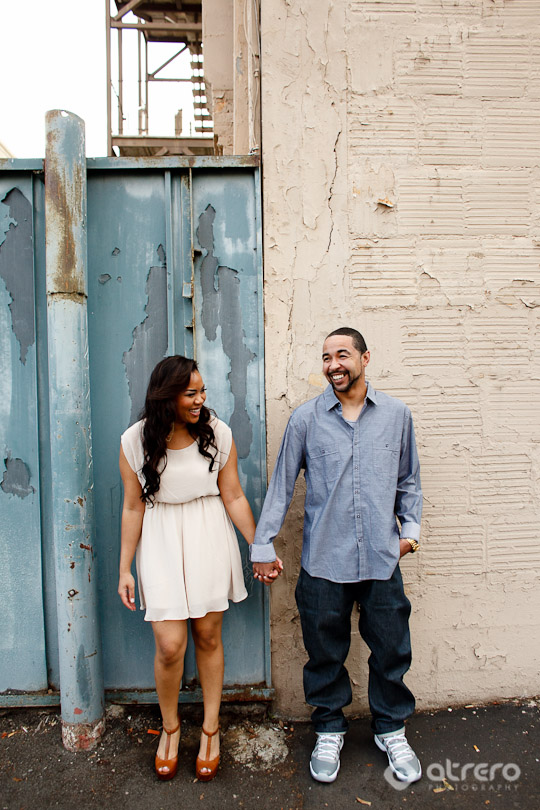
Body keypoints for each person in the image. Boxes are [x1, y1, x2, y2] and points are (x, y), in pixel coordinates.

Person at [251, 327, 423, 785]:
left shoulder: (396, 415)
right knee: (324, 653)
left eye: (342, 355)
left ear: (365, 357)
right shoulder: (306, 420)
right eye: (326, 357)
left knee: (391, 649)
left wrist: (412, 535)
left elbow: (409, 482)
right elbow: (281, 486)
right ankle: (329, 727)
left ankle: (391, 727)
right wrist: (262, 543)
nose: (333, 365)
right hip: (324, 562)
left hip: (382, 561)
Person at [118, 355, 280, 781]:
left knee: (207, 635)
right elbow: (133, 506)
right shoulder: (135, 441)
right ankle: (170, 730)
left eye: (202, 391)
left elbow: (234, 497)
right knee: (170, 645)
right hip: (160, 540)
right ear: (166, 396)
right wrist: (125, 568)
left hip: (209, 531)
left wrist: (258, 547)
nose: (201, 400)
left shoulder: (217, 433)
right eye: (191, 393)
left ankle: (210, 730)